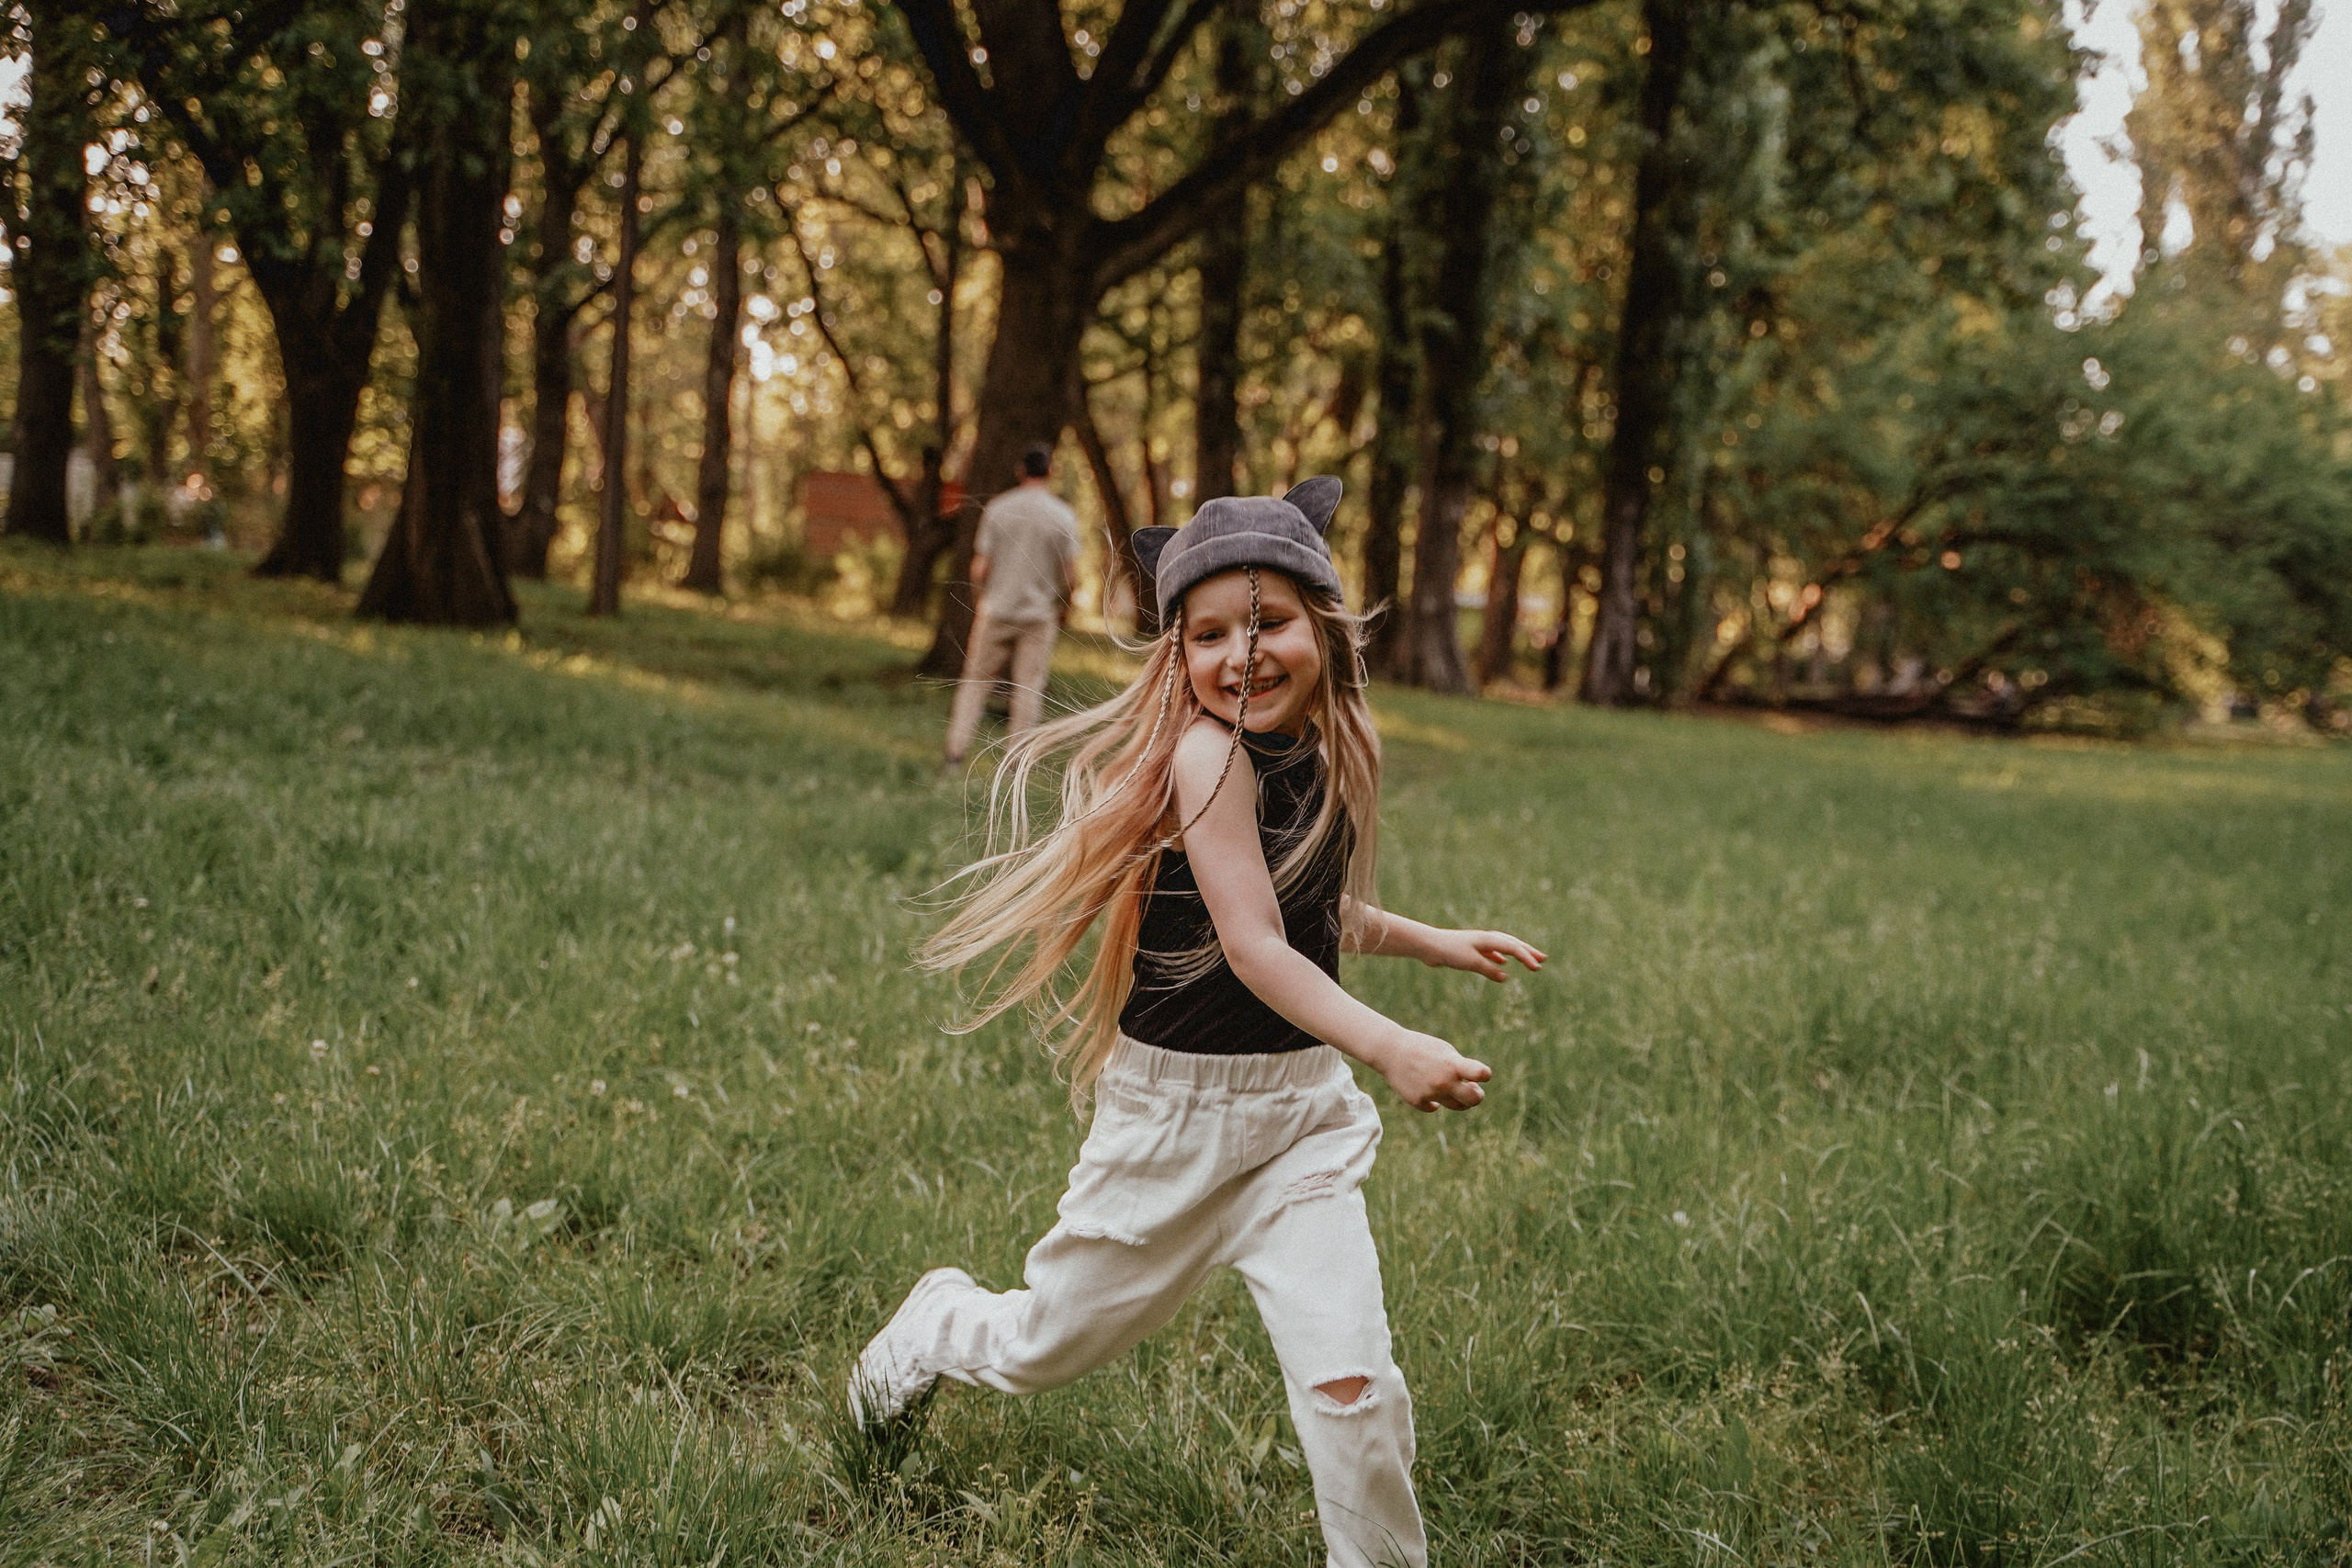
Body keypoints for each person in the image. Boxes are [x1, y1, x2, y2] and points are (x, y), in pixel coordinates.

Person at [854, 478, 1546, 1568]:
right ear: (1177, 655)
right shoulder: (1204, 758)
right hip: (1173, 1127)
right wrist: (1389, 1042)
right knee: (1044, 1346)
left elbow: (1310, 915)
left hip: (1298, 1126)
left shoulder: (1313, 758)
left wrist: (1434, 942)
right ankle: (938, 1323)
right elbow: (1252, 946)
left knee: (1351, 1382)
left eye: (1266, 623)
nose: (1242, 654)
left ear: (1321, 624)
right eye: (1209, 634)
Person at [944, 443, 1080, 767]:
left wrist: (981, 600)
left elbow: (980, 567)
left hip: (996, 610)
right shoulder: (1063, 515)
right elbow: (1071, 576)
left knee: (974, 683)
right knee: (1028, 687)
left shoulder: (998, 508)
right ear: (1050, 471)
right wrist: (1065, 606)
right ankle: (1015, 764)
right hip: (1038, 615)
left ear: (1021, 470)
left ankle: (955, 753)